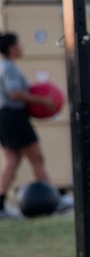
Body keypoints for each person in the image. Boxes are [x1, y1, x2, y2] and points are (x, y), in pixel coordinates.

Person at [0, 33, 57, 219]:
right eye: (19, 44)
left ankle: (0, 205)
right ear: (11, 48)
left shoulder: (7, 67)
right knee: (37, 158)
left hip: (7, 117)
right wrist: (43, 100)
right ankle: (54, 198)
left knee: (12, 161)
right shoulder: (9, 69)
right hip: (13, 116)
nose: (22, 47)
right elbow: (15, 93)